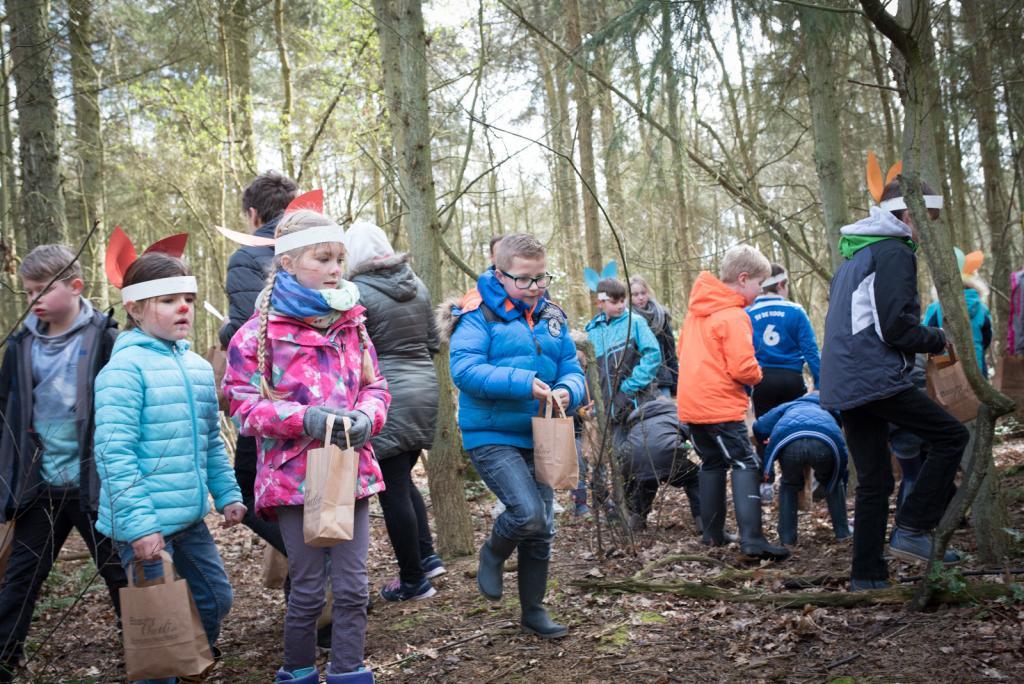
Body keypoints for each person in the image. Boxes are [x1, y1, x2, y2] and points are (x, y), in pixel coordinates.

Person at [223, 210, 389, 684]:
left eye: (340, 258)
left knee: (355, 587)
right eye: (324, 258)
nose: (337, 267)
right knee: (310, 587)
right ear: (290, 263)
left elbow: (377, 387)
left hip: (350, 468)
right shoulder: (257, 334)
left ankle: (348, 670)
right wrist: (304, 419)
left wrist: (366, 417)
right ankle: (297, 672)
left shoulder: (352, 323)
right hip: (293, 477)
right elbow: (241, 404)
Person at [94, 241, 245, 684]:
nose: (183, 308)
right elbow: (113, 454)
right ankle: (166, 671)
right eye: (168, 300)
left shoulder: (198, 367)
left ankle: (189, 662)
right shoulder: (124, 371)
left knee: (216, 599)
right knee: (159, 624)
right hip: (144, 527)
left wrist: (228, 493)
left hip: (189, 521)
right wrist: (140, 527)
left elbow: (210, 442)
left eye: (188, 300)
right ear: (136, 309)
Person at [820, 177, 968, 591]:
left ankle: (867, 574)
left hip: (846, 380)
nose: (927, 228)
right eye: (927, 219)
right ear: (907, 215)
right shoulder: (894, 252)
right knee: (951, 437)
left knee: (875, 481)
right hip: (872, 375)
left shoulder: (856, 255)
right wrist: (937, 338)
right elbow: (896, 329)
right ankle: (913, 529)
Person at [444, 233, 585, 639]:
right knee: (526, 513)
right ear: (499, 273)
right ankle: (493, 551)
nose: (536, 287)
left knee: (542, 528)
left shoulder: (553, 315)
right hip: (490, 433)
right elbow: (465, 372)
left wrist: (568, 390)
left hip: (542, 433)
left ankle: (534, 611)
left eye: (541, 277)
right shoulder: (476, 314)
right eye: (524, 279)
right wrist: (525, 382)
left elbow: (572, 369)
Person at [0, 246, 128, 683]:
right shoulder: (19, 345)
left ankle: (145, 650)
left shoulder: (105, 339)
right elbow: (7, 414)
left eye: (42, 290)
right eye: (28, 291)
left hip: (96, 485)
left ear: (75, 287)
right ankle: (5, 656)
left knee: (119, 574)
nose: (34, 299)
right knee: (21, 577)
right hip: (40, 487)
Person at [343, 220, 446, 603]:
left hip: (386, 394)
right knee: (402, 479)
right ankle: (427, 556)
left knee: (392, 488)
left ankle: (413, 579)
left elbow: (353, 350)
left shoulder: (355, 292)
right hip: (424, 389)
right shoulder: (416, 284)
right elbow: (434, 341)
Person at [676, 245, 790, 561]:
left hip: (692, 406)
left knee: (713, 463)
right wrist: (757, 374)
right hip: (719, 406)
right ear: (743, 279)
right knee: (745, 463)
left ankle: (713, 535)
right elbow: (742, 367)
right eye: (758, 284)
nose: (759, 291)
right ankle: (752, 539)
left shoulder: (696, 313)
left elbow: (683, 351)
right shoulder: (733, 315)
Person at [219, 171, 298, 560]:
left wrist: (222, 334)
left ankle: (313, 568)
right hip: (314, 390)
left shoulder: (247, 257)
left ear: (253, 214)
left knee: (247, 489)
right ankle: (312, 591)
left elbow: (245, 327)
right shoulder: (312, 249)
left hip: (266, 391)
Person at [753, 392, 850, 546]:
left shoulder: (788, 406)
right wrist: (841, 477)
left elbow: (759, 426)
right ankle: (842, 533)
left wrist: (764, 439)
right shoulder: (833, 406)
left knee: (789, 485)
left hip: (789, 442)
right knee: (833, 480)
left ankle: (787, 538)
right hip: (824, 441)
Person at [585, 277, 661, 443]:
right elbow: (591, 370)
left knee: (641, 448)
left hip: (635, 401)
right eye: (614, 302)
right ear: (600, 303)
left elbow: (653, 355)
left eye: (622, 300)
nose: (620, 305)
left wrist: (630, 386)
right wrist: (590, 398)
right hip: (608, 407)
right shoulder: (593, 331)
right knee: (617, 453)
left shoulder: (635, 323)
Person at [746, 264, 820, 417]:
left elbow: (742, 353)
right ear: (780, 284)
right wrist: (820, 383)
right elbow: (810, 351)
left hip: (761, 382)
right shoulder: (796, 311)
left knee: (765, 434)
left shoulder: (747, 313)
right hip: (792, 379)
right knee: (794, 427)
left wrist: (746, 389)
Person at [618, 398, 701, 533]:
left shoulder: (638, 422)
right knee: (696, 477)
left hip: (634, 460)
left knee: (646, 481)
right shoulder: (676, 415)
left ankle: (636, 521)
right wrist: (687, 448)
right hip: (668, 456)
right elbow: (695, 439)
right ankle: (702, 520)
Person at [922, 248, 992, 374]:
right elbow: (987, 337)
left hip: (947, 369)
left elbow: (926, 336)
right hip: (977, 367)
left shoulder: (936, 308)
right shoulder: (982, 309)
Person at [629, 276, 679, 396]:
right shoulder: (626, 320)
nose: (640, 297)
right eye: (635, 294)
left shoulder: (661, 316)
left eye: (643, 293)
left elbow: (670, 352)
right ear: (628, 296)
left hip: (662, 380)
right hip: (637, 383)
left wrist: (676, 383)